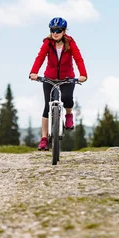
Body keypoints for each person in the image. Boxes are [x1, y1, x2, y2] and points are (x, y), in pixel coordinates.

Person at [29, 17, 87, 151]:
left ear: (64, 31)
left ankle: (68, 114)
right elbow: (40, 57)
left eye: (58, 30)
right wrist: (34, 72)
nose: (55, 33)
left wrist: (83, 74)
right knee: (46, 106)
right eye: (52, 30)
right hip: (50, 78)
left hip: (67, 78)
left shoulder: (70, 42)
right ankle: (44, 138)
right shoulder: (47, 43)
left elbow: (78, 58)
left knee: (67, 98)